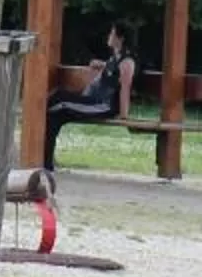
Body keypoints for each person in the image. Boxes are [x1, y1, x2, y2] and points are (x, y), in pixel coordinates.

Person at [44, 23, 138, 170]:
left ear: (120, 38)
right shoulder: (115, 58)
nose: (109, 36)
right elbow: (111, 70)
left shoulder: (127, 62)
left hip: (102, 105)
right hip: (91, 101)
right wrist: (100, 64)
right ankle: (45, 161)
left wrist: (124, 116)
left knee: (60, 105)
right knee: (55, 107)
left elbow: (125, 89)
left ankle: (45, 163)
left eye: (112, 34)